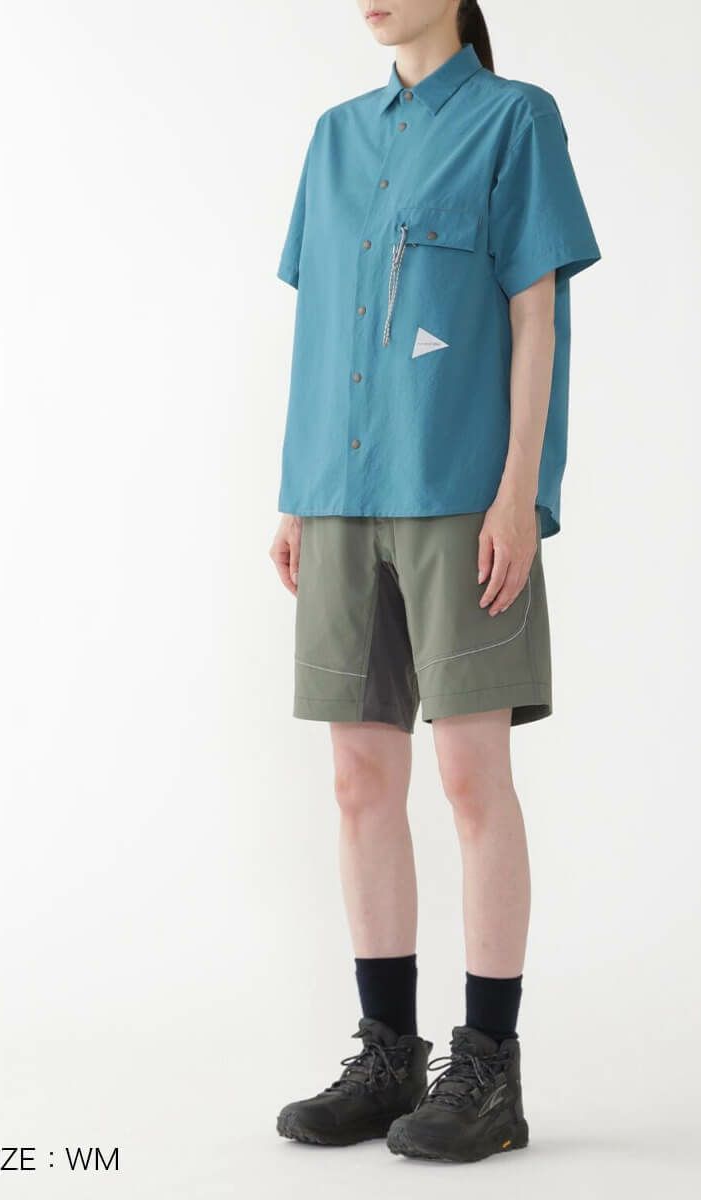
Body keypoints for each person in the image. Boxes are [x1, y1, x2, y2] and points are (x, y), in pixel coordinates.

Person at [266, 0, 601, 1165]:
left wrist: (522, 492)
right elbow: (323, 325)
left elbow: (535, 316)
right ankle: (388, 1056)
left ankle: (490, 1070)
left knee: (469, 776)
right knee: (360, 781)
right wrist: (296, 492)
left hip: (461, 492)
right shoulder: (335, 137)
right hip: (339, 494)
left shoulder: (516, 121)